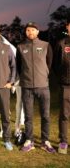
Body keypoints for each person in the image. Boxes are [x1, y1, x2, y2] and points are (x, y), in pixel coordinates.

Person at [16, 22, 55, 153]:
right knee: (28, 116)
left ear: (37, 32)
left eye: (33, 30)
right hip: (27, 87)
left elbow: (49, 64)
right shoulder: (20, 47)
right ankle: (29, 140)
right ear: (26, 32)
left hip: (43, 86)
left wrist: (42, 75)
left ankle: (45, 141)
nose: (30, 32)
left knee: (45, 116)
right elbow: (18, 66)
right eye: (28, 30)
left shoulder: (45, 45)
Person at [53, 20, 70, 154]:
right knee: (64, 114)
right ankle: (63, 141)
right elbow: (55, 64)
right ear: (67, 27)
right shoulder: (61, 43)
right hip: (65, 85)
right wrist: (62, 78)